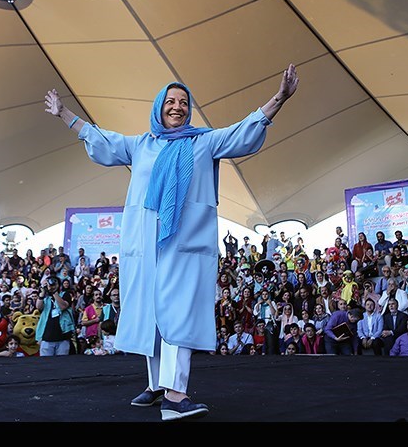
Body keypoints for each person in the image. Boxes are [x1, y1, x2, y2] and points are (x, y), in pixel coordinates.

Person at [45, 64, 299, 420]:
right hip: (144, 243)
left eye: (183, 101)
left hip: (184, 244)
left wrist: (280, 98)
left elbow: (244, 131)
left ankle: (175, 397)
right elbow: (101, 140)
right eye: (170, 100)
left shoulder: (203, 141)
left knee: (177, 312)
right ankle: (157, 385)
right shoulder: (141, 145)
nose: (177, 106)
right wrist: (64, 114)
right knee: (150, 313)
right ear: (158, 107)